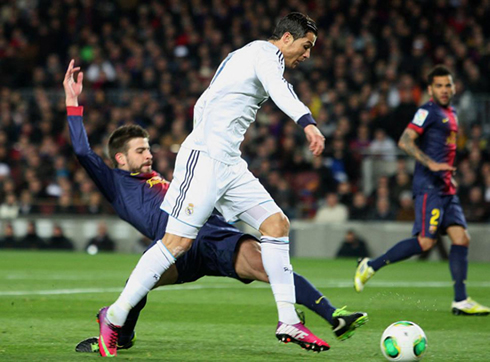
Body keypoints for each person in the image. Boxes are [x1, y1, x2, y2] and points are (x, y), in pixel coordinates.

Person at [63, 60, 367, 355]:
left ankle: (333, 316)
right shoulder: (115, 184)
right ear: (120, 159)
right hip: (177, 250)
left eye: (148, 149)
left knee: (270, 266)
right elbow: (81, 150)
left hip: (214, 235)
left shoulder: (165, 178)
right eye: (140, 150)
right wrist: (72, 101)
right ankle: (121, 335)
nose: (148, 155)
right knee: (138, 284)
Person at [97, 12, 329, 357]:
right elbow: (280, 90)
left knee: (276, 224)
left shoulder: (248, 57)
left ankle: (287, 319)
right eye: (306, 46)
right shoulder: (265, 55)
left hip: (229, 162)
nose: (307, 54)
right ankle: (115, 317)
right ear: (285, 39)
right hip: (206, 159)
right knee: (176, 243)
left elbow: (205, 101)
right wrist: (307, 123)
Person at [354, 65, 490, 316]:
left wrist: (448, 175)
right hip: (429, 188)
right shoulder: (426, 111)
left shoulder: (452, 113)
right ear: (430, 89)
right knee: (426, 242)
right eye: (438, 85)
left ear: (454, 87)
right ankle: (370, 265)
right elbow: (405, 140)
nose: (444, 90)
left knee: (461, 238)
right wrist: (432, 165)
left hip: (446, 187)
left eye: (448, 85)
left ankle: (461, 300)